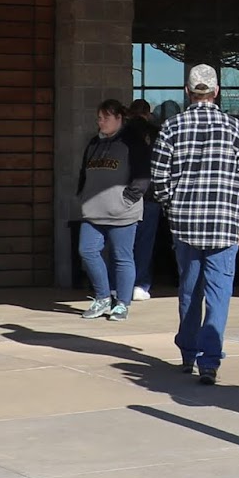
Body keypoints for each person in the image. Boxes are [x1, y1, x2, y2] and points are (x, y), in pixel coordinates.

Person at [149, 64, 239, 384]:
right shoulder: (235, 128)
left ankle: (188, 352)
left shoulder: (171, 127)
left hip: (186, 223)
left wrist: (172, 207)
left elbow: (159, 179)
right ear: (216, 91)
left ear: (188, 91)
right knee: (219, 294)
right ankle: (210, 360)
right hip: (224, 223)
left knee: (189, 290)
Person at [76, 99, 149, 321]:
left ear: (119, 118)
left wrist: (128, 199)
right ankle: (103, 297)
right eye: (99, 118)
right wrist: (83, 194)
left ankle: (122, 304)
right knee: (87, 250)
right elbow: (84, 171)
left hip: (122, 212)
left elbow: (143, 175)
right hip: (93, 210)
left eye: (106, 118)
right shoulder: (94, 143)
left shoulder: (132, 141)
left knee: (122, 257)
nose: (101, 122)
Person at [126, 100, 162, 301]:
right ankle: (140, 284)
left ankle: (119, 283)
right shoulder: (157, 133)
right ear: (148, 114)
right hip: (150, 193)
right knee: (145, 243)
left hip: (124, 193)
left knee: (122, 243)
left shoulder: (121, 133)